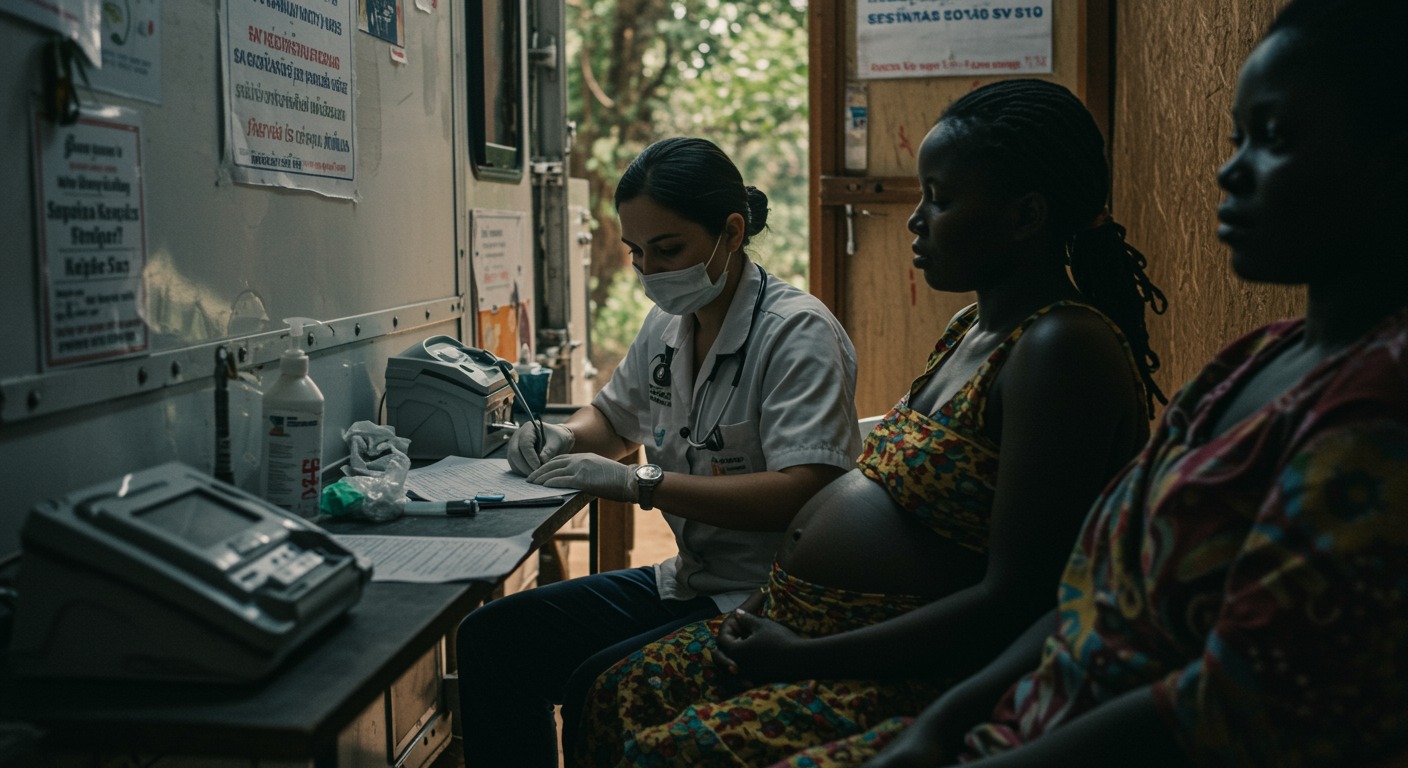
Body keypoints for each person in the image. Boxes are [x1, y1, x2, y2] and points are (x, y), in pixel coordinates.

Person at [849, 1, 1408, 765]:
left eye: (1274, 139)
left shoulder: (1379, 410)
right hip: (1011, 722)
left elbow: (1224, 705)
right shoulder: (1248, 361)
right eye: (1236, 138)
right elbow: (1084, 591)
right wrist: (937, 730)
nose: (1231, 170)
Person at [574, 80, 1170, 767]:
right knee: (614, 694)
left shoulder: (1061, 350)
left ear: (1026, 214)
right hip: (795, 619)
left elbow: (1018, 600)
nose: (916, 220)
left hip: (903, 666)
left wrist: (805, 656)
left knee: (669, 752)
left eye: (940, 200)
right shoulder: (970, 328)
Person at [455, 137, 862, 767]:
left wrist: (642, 483)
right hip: (690, 581)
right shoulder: (669, 328)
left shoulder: (797, 334)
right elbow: (614, 419)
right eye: (637, 253)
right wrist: (561, 437)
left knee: (598, 681)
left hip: (766, 598)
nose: (650, 273)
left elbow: (805, 491)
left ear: (731, 232)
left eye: (668, 250)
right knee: (494, 638)